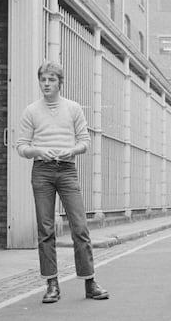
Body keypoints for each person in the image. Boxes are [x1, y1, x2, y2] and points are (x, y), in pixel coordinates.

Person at [17, 61, 109, 304]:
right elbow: (21, 147)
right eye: (43, 80)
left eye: (51, 80)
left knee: (80, 226)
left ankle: (90, 282)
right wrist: (37, 151)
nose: (46, 84)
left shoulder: (73, 108)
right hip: (42, 171)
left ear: (60, 82)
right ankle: (52, 284)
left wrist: (72, 150)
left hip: (67, 170)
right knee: (46, 230)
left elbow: (85, 141)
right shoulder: (31, 111)